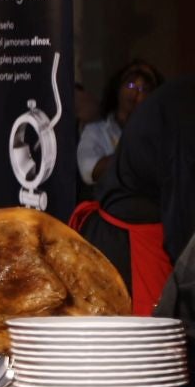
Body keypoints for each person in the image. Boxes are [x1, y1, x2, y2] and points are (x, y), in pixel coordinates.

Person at [73, 75, 195, 314]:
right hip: (134, 241)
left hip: (152, 232)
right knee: (151, 341)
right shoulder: (184, 108)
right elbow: (183, 220)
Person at [77, 60, 160, 187]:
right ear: (118, 88)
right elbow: (89, 171)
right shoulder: (96, 130)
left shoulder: (159, 131)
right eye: (131, 85)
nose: (136, 92)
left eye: (144, 89)